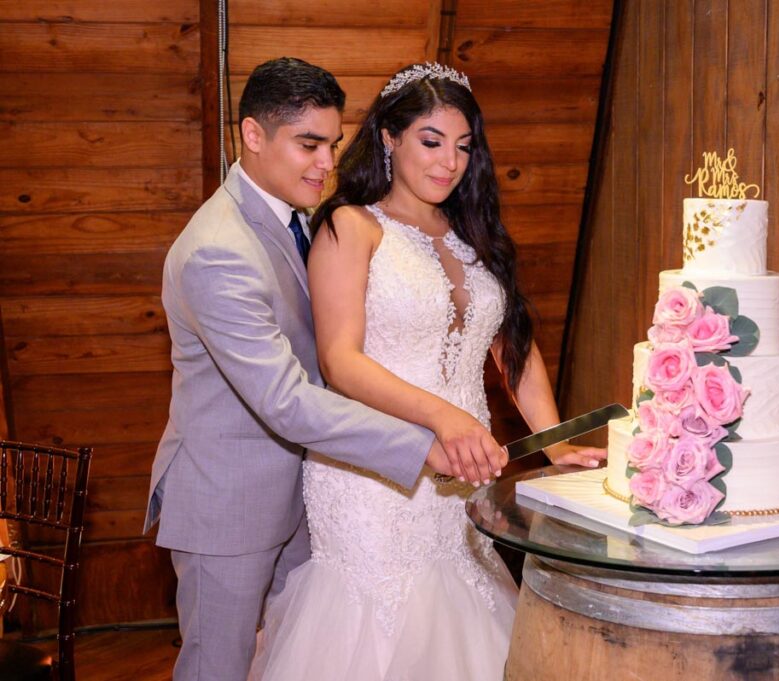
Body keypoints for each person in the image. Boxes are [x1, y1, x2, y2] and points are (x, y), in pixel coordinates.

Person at [144, 57, 502, 681]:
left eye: (333, 144)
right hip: (231, 503)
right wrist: (423, 443)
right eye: (308, 145)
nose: (326, 164)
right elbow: (287, 400)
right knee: (217, 669)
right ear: (253, 136)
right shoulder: (216, 252)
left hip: (309, 493)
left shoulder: (298, 219)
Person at [248, 63, 605, 681]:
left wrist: (555, 444)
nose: (449, 163)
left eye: (464, 147)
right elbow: (340, 362)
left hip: (460, 474)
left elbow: (512, 348)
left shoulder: (473, 235)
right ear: (389, 138)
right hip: (374, 477)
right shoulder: (350, 226)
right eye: (431, 142)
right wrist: (444, 417)